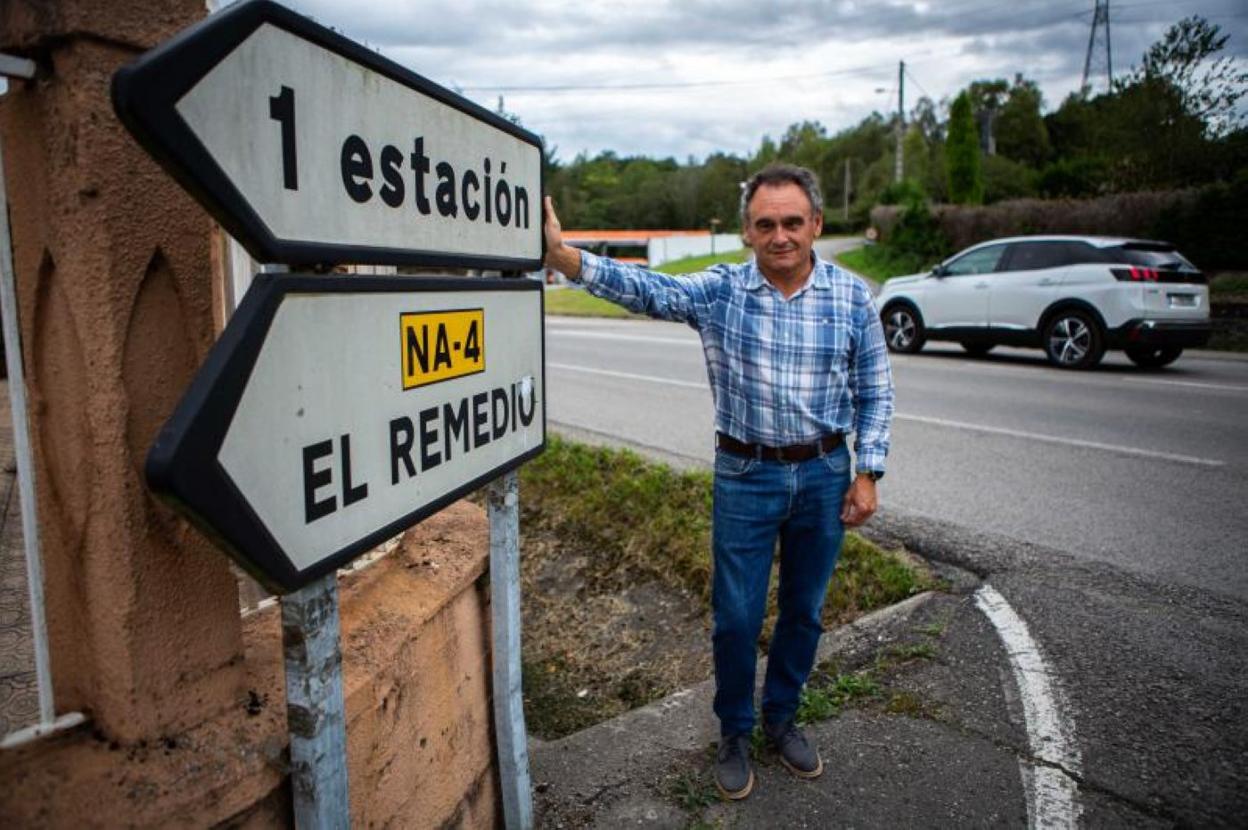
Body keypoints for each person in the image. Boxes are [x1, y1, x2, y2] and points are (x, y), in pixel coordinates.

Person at [542, 163, 894, 800]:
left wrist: (866, 472)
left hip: (824, 473)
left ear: (816, 224)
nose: (780, 235)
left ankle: (781, 717)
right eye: (766, 224)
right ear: (747, 231)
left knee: (805, 612)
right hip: (746, 474)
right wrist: (566, 258)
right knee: (735, 618)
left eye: (793, 222)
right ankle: (735, 730)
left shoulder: (851, 298)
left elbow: (876, 388)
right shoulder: (721, 291)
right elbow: (645, 287)